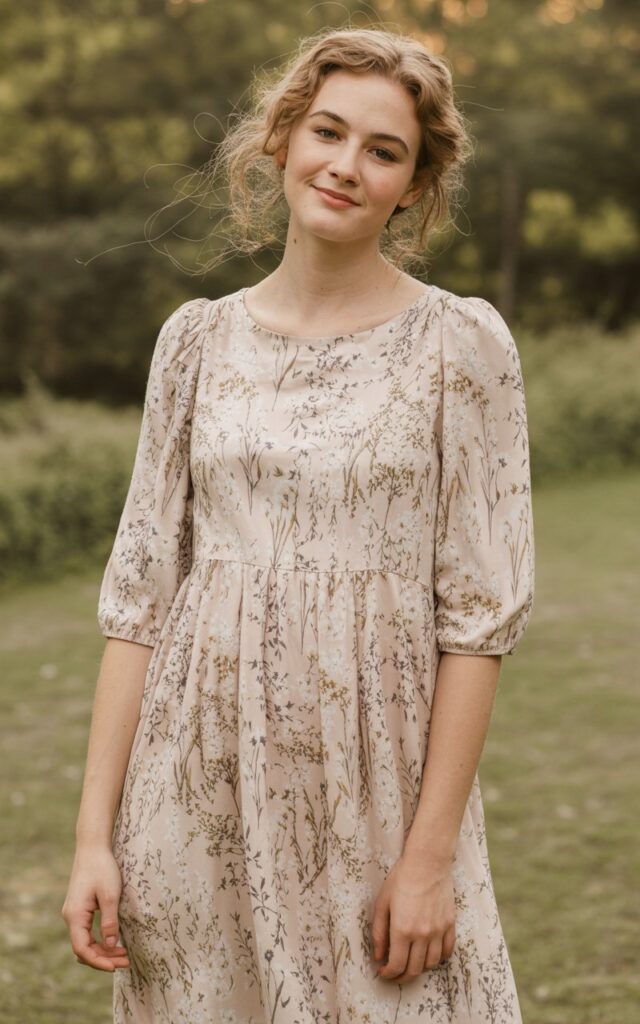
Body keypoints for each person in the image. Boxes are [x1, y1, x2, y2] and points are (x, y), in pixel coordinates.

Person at [62, 25, 535, 1024]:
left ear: (413, 184)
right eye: (328, 131)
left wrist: (428, 857)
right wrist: (94, 837)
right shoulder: (194, 344)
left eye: (383, 150)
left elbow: (475, 623)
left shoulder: (459, 346)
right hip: (193, 790)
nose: (346, 166)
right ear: (281, 139)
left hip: (375, 796)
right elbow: (139, 602)